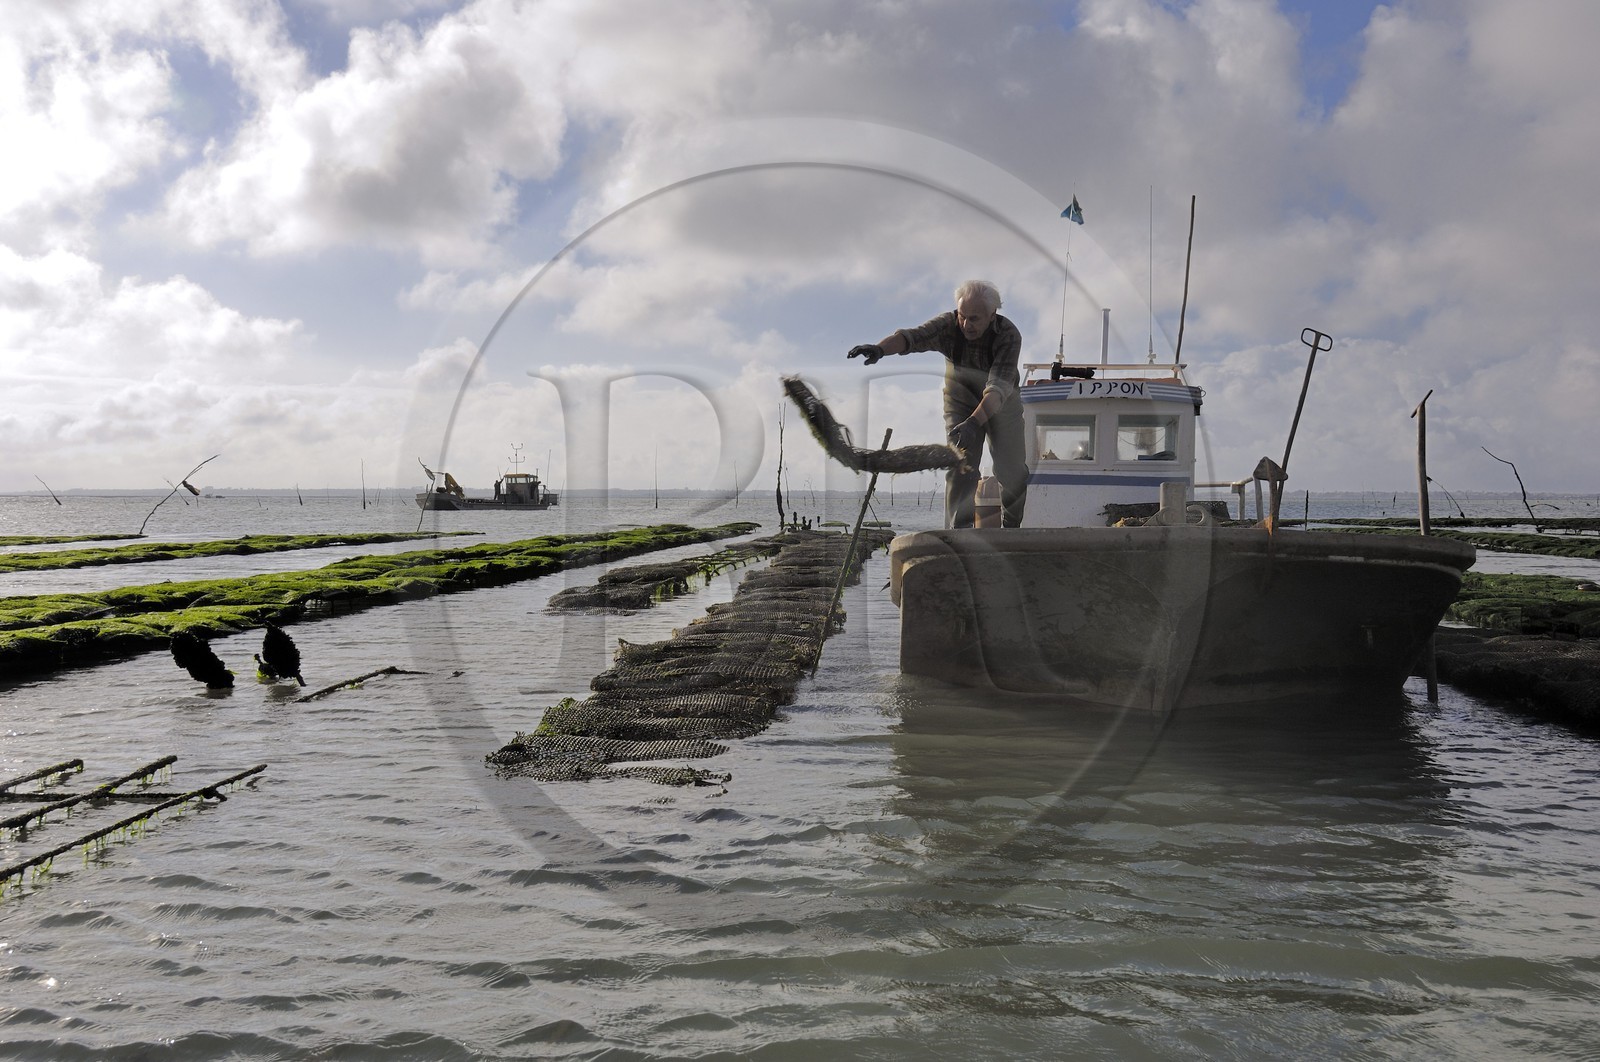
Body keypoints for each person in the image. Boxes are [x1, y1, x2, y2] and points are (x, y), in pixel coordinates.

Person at [848, 279, 1027, 528]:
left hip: (1001, 405)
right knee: (960, 464)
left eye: (974, 318)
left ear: (992, 315)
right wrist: (879, 349)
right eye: (963, 316)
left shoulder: (1008, 335)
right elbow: (912, 338)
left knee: (1012, 470)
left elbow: (996, 391)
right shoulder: (948, 325)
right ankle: (960, 533)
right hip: (960, 403)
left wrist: (974, 423)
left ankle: (1012, 526)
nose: (966, 324)